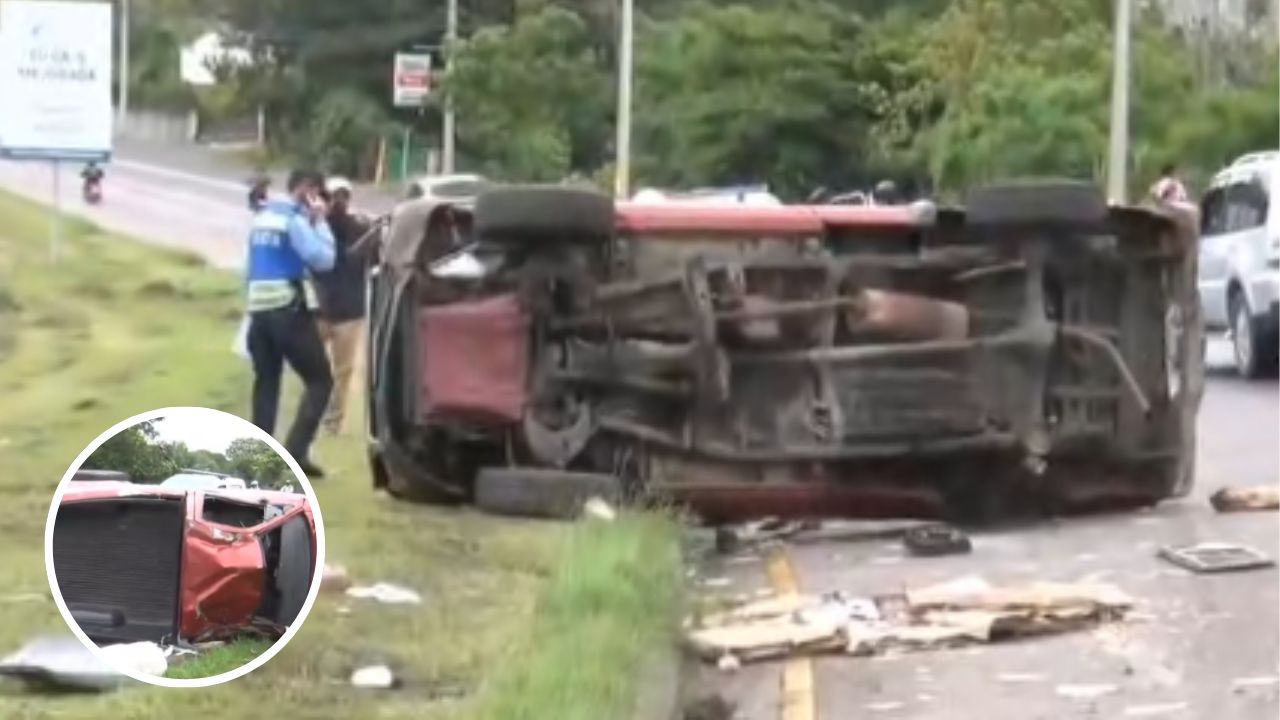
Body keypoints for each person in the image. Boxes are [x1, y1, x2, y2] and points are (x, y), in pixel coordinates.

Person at [244, 169, 336, 477]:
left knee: (266, 383)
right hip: (287, 309)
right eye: (318, 193)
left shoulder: (262, 217)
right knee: (320, 381)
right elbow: (323, 259)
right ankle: (296, 453)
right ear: (307, 190)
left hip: (258, 311)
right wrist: (320, 222)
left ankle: (259, 460)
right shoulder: (293, 219)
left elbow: (249, 268)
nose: (319, 200)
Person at [313, 176, 379, 435]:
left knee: (343, 372)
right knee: (314, 369)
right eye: (334, 196)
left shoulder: (361, 228)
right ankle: (314, 415)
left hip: (350, 311)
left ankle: (333, 421)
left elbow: (375, 257)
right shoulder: (315, 227)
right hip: (320, 308)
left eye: (343, 196)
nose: (339, 201)